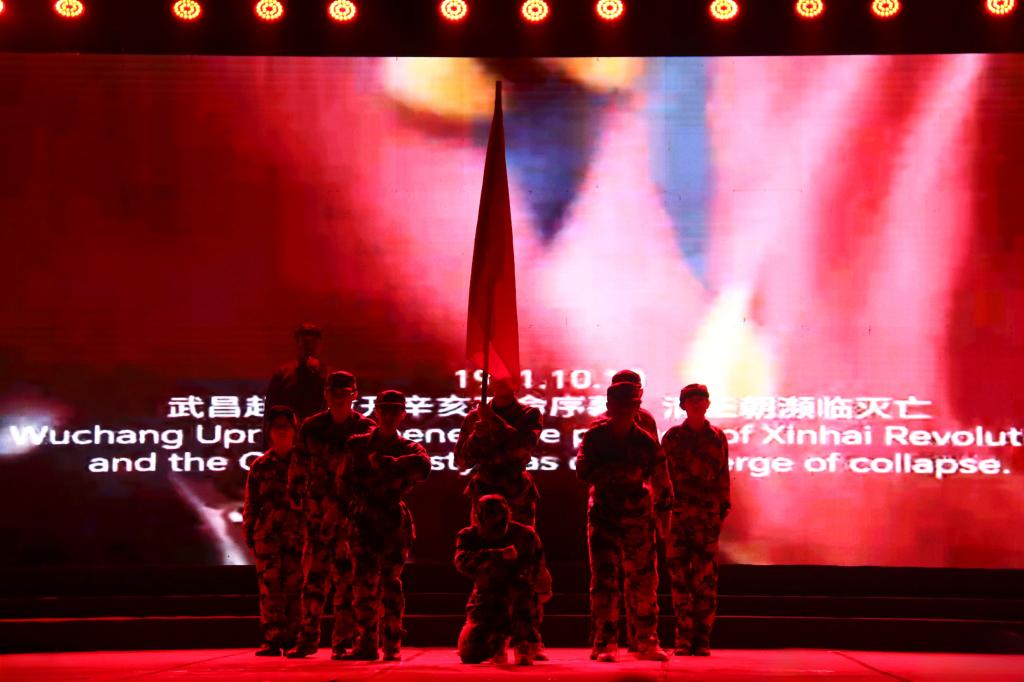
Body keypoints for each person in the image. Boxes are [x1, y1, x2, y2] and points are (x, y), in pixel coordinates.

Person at [454, 377, 552, 657]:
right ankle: (491, 638)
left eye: (505, 379)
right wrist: (478, 434)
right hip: (485, 497)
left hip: (516, 495)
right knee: (488, 565)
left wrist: (494, 423)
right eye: (494, 379)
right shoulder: (475, 417)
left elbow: (522, 449)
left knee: (524, 565)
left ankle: (527, 638)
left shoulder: (529, 414)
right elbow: (461, 460)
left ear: (515, 382)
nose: (499, 384)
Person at [576, 381, 672, 662]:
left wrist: (664, 514)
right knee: (604, 580)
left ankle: (646, 640)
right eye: (620, 405)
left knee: (643, 580)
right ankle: (604, 642)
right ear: (609, 406)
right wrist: (617, 473)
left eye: (631, 405)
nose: (626, 411)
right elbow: (582, 470)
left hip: (637, 516)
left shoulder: (645, 441)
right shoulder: (595, 437)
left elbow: (660, 477)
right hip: (604, 514)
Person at [286, 371, 375, 658]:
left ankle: (342, 642)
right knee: (313, 579)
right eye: (333, 393)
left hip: (350, 515)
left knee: (346, 581)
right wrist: (295, 495)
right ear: (325, 394)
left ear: (354, 395)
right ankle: (308, 639)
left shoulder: (365, 429)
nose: (338, 399)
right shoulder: (312, 427)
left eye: (344, 393)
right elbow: (299, 463)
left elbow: (369, 474)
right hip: (317, 514)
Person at [337, 390, 430, 661]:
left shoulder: (409, 448)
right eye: (384, 410)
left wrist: (390, 464)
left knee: (391, 585)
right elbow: (343, 482)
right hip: (363, 519)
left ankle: (391, 645)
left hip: (392, 521)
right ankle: (366, 644)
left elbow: (423, 467)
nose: (389, 416)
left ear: (403, 414)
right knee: (363, 586)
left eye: (394, 411)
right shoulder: (357, 445)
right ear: (376, 412)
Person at [661, 383, 731, 656]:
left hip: (707, 517)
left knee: (705, 579)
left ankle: (702, 638)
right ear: (683, 405)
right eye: (692, 399)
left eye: (702, 399)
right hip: (678, 516)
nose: (698, 403)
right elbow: (661, 477)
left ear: (708, 403)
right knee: (679, 579)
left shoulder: (717, 437)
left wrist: (722, 509)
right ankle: (683, 636)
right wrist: (661, 513)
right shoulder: (672, 438)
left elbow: (723, 475)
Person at [454, 494, 547, 666]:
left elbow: (539, 571)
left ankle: (524, 640)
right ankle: (496, 641)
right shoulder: (469, 535)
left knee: (523, 596)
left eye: (497, 515)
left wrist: (539, 591)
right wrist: (496, 555)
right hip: (487, 595)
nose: (493, 521)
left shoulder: (525, 535)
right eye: (488, 515)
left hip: (519, 596)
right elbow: (461, 562)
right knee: (470, 653)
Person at [243, 405, 304, 656]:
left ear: (294, 430)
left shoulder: (303, 464)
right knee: (269, 589)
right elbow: (251, 502)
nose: (281, 431)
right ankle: (272, 639)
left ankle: (294, 638)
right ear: (269, 431)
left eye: (286, 427)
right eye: (277, 427)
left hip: (297, 535)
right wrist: (249, 531)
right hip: (267, 536)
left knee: (295, 588)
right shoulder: (260, 465)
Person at [264, 323, 329, 424]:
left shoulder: (326, 374)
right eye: (305, 342)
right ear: (298, 343)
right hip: (289, 429)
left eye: (313, 342)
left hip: (318, 430)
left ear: (319, 345)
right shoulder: (283, 373)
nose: (309, 346)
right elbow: (270, 408)